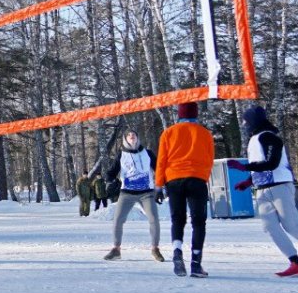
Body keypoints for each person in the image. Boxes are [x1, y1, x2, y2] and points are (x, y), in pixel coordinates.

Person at [228, 105, 298, 277]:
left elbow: (272, 163)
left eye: (246, 122)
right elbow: (261, 164)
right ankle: (295, 261)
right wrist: (249, 181)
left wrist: (244, 168)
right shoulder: (254, 140)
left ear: (253, 121)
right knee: (269, 226)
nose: (245, 126)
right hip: (262, 189)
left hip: (280, 185)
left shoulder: (269, 137)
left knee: (291, 225)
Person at [154, 101, 215, 277]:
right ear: (196, 114)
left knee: (177, 219)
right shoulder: (205, 134)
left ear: (179, 115)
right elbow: (210, 158)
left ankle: (177, 252)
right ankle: (196, 263)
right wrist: (204, 177)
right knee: (198, 222)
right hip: (197, 180)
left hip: (174, 179)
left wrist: (159, 185)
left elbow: (161, 161)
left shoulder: (169, 133)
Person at [102, 130, 163, 262]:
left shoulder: (148, 153)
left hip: (146, 193)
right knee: (118, 220)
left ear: (137, 138)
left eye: (134, 135)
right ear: (125, 140)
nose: (132, 137)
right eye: (129, 136)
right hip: (127, 193)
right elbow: (112, 172)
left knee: (154, 218)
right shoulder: (121, 155)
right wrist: (109, 179)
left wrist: (159, 188)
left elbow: (159, 170)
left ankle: (155, 249)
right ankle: (116, 250)